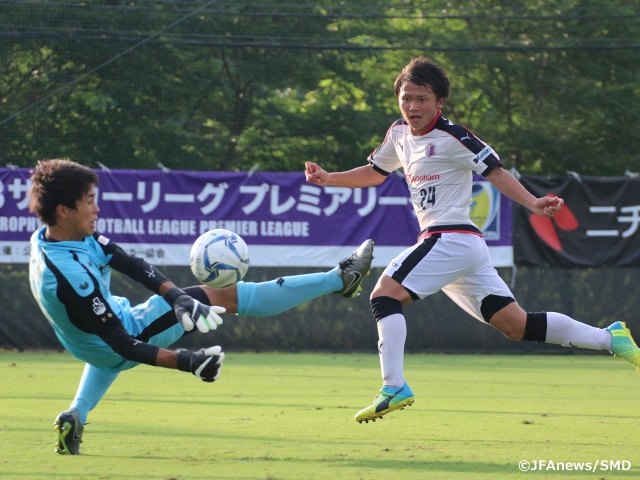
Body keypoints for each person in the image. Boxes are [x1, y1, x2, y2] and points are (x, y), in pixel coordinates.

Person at [305, 56, 640, 424]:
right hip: (461, 248)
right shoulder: (398, 134)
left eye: (422, 98)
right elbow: (375, 172)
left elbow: (495, 171)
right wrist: (329, 178)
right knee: (516, 325)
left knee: (384, 295)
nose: (413, 106)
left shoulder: (454, 137)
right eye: (406, 98)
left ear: (439, 102)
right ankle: (611, 339)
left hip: (451, 238)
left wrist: (532, 202)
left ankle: (394, 386)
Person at [28, 159, 374, 454]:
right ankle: (339, 280)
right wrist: (188, 362)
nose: (97, 208)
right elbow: (120, 344)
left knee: (106, 347)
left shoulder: (57, 234)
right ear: (64, 210)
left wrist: (177, 297)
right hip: (117, 336)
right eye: (89, 201)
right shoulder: (69, 278)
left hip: (92, 339)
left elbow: (128, 262)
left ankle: (76, 414)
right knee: (222, 295)